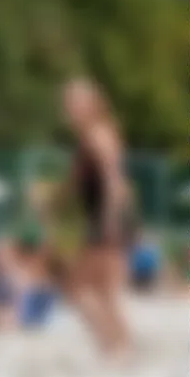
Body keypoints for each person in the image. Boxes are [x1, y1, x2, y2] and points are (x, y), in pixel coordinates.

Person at [61, 77, 135, 358]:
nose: (69, 109)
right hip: (100, 219)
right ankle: (116, 345)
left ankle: (118, 346)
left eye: (75, 103)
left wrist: (110, 221)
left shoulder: (100, 135)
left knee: (87, 288)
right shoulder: (89, 138)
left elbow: (115, 182)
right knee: (95, 291)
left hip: (107, 220)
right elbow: (76, 184)